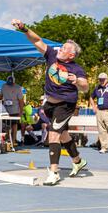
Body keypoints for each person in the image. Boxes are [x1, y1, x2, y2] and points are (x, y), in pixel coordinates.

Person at [12, 19, 88, 186]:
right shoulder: (52, 55)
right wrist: (23, 28)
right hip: (49, 105)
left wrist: (76, 81)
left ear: (71, 55)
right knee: (63, 135)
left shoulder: (76, 69)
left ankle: (54, 172)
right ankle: (77, 161)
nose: (60, 48)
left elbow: (85, 86)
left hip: (65, 105)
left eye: (65, 48)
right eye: (61, 46)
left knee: (53, 134)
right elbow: (37, 40)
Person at [0, 76, 24, 146]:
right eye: (8, 83)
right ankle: (7, 140)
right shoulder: (3, 86)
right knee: (6, 125)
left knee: (14, 125)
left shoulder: (18, 88)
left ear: (14, 82)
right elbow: (0, 96)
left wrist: (21, 112)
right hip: (5, 110)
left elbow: (21, 101)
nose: (10, 85)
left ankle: (13, 141)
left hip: (15, 109)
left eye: (11, 83)